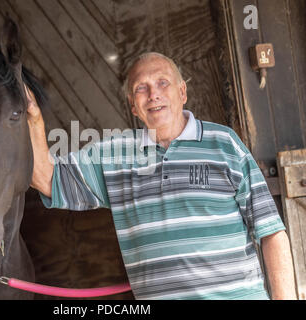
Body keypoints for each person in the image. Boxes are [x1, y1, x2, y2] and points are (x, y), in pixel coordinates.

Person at [26, 52, 297, 300]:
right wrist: (34, 118)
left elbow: (271, 232)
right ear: (133, 106)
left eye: (163, 83)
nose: (153, 94)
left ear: (182, 92)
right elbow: (45, 178)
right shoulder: (114, 157)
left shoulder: (224, 144)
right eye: (141, 89)